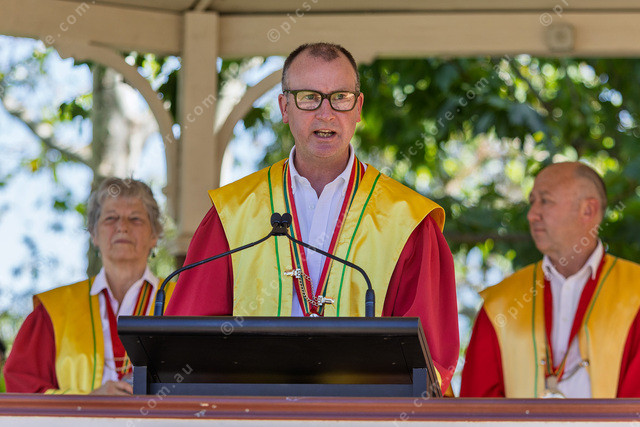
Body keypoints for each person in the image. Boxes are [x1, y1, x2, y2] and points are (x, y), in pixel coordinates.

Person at [165, 42, 459, 392]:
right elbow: (187, 343)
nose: (326, 113)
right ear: (284, 107)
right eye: (309, 97)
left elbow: (427, 363)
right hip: (254, 408)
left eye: (340, 98)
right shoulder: (232, 213)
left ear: (358, 108)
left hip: (363, 412)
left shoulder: (408, 221)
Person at [461, 162, 640, 398]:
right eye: (532, 201)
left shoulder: (635, 292)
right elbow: (476, 408)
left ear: (588, 210)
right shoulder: (500, 303)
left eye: (545, 201)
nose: (532, 215)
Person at [3, 178, 175, 394]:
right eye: (111, 218)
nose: (122, 227)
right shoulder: (53, 310)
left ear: (154, 235)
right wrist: (88, 403)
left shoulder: (181, 300)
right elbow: (22, 388)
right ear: (94, 234)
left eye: (135, 219)